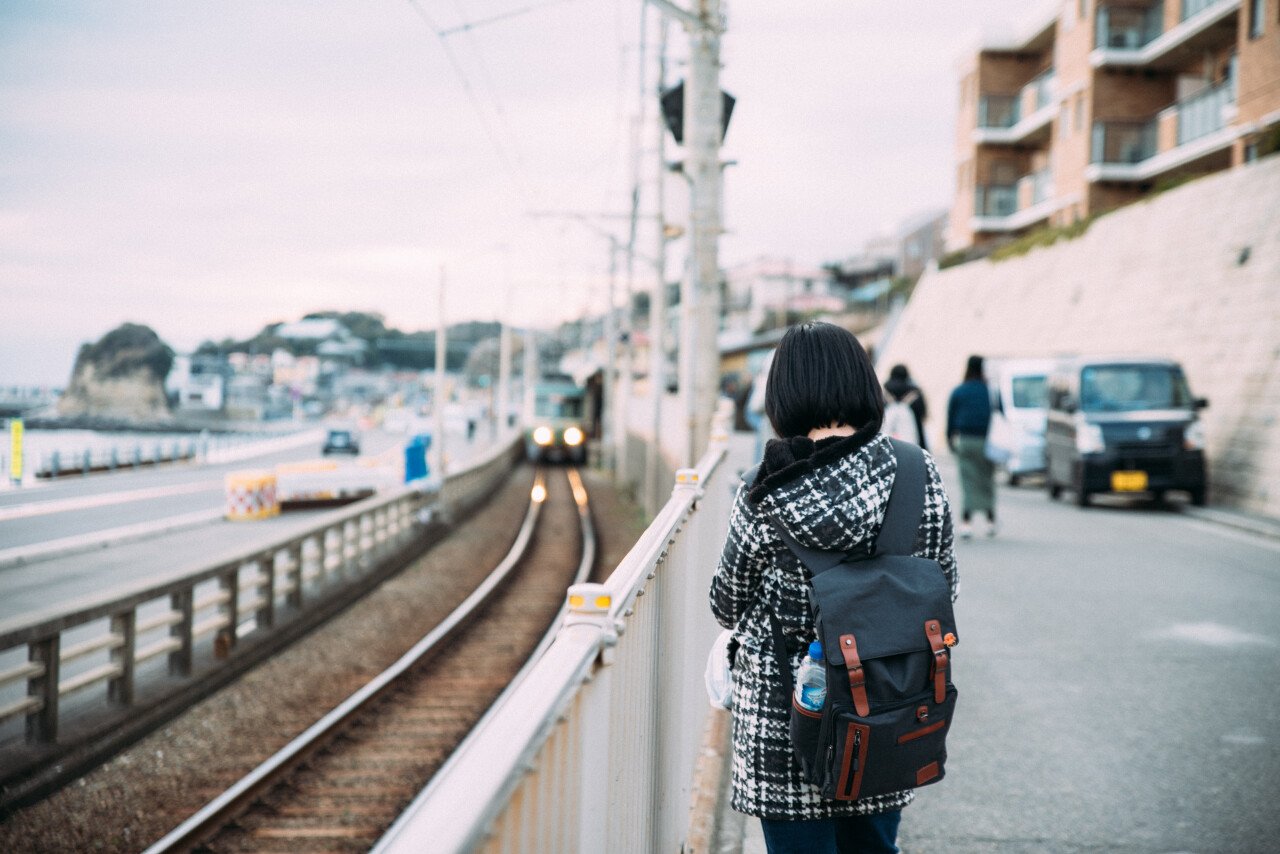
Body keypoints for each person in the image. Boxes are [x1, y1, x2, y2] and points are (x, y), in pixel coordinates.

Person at [710, 321, 959, 854]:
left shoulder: (763, 489)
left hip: (787, 723)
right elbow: (943, 589)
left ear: (782, 394)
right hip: (886, 708)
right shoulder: (917, 471)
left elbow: (726, 604)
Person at [947, 354, 996, 538]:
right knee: (987, 480)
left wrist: (950, 438)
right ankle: (990, 521)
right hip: (986, 440)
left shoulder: (960, 390)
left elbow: (951, 417)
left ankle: (966, 523)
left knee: (968, 481)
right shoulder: (989, 391)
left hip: (965, 440)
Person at [882, 364, 928, 451]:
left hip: (887, 439)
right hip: (913, 439)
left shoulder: (884, 392)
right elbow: (922, 414)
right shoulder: (915, 392)